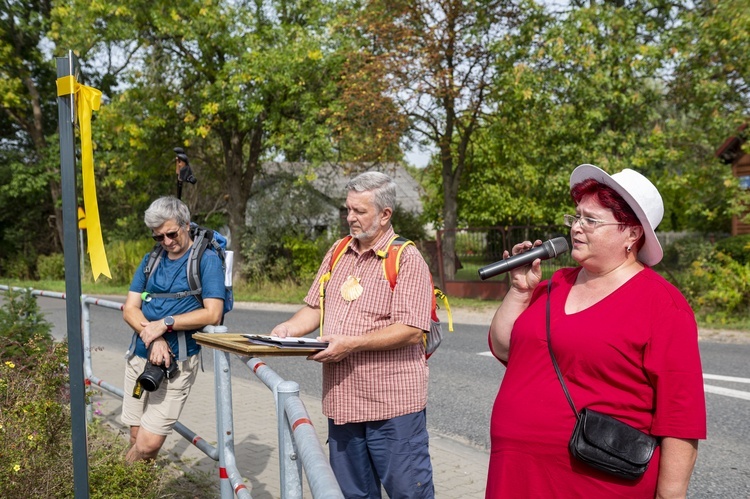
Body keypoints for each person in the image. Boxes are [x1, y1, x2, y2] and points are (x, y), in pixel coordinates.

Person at [486, 164, 706, 497]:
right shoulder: (553, 285)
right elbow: (505, 349)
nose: (576, 228)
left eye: (591, 220)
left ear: (631, 233)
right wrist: (519, 290)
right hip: (516, 474)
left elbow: (680, 416)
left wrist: (670, 494)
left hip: (594, 484)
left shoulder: (662, 305)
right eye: (575, 217)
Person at [271, 171, 435, 498]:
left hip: (392, 406)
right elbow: (315, 307)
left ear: (385, 214)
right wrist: (288, 329)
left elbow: (413, 330)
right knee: (353, 494)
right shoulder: (338, 251)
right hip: (343, 403)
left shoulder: (407, 258)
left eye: (359, 211)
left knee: (408, 493)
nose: (350, 218)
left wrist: (351, 345)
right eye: (348, 209)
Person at [122, 196, 224, 462]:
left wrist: (165, 324)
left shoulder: (207, 260)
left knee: (146, 445)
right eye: (159, 237)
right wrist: (154, 336)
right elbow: (130, 308)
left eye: (171, 233)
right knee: (135, 438)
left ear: (186, 224)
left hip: (176, 364)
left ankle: (112, 486)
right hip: (140, 356)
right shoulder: (151, 259)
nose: (166, 242)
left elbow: (213, 314)